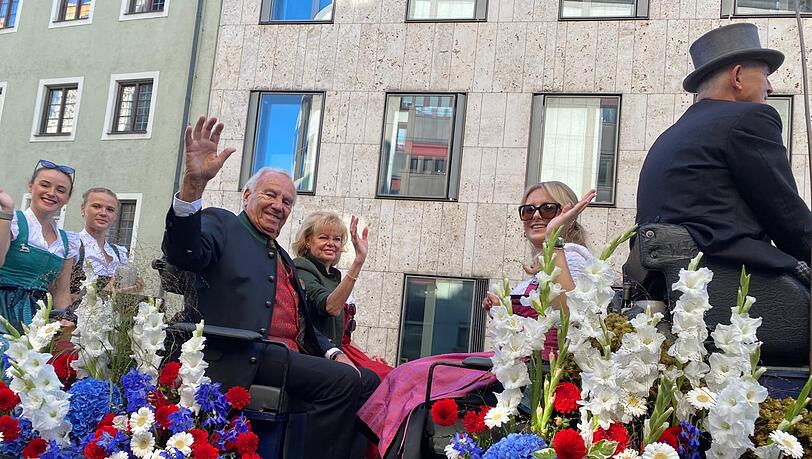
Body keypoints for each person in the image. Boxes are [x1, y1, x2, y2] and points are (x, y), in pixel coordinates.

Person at [162, 116, 380, 459]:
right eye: (270, 195)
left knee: (368, 381)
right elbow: (183, 251)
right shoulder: (223, 225)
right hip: (242, 353)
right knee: (343, 382)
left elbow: (306, 322)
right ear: (248, 194)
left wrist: (333, 352)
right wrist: (194, 184)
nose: (279, 206)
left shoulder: (281, 256)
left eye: (287, 201)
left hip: (285, 357)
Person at [359, 181, 596, 458]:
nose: (536, 216)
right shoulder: (545, 261)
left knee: (416, 378)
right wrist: (504, 310)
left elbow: (569, 317)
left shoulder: (573, 257)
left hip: (540, 372)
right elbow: (533, 324)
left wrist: (554, 239)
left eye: (547, 208)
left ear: (566, 212)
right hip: (519, 366)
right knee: (409, 374)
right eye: (528, 210)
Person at [635, 23, 812, 284]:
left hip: (664, 280)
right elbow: (786, 216)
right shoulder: (750, 118)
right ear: (738, 76)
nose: (770, 87)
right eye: (765, 74)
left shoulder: (672, 134)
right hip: (724, 276)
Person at [293, 211, 393, 381]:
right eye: (324, 237)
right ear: (308, 241)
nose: (331, 243)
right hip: (317, 354)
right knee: (381, 380)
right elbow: (330, 307)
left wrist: (367, 356)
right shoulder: (302, 268)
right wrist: (358, 262)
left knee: (392, 373)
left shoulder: (334, 276)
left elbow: (342, 334)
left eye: (337, 239)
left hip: (342, 350)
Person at [0, 160, 79, 337]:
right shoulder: (13, 221)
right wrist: (5, 212)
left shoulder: (67, 242)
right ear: (31, 186)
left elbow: (61, 291)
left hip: (36, 317)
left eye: (60, 190)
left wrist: (65, 320)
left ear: (67, 197)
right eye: (45, 185)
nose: (51, 193)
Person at [72, 187, 144, 296]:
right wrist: (105, 293)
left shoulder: (119, 253)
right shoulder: (73, 245)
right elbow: (60, 293)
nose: (103, 213)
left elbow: (119, 296)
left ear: (115, 215)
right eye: (96, 206)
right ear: (83, 209)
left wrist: (132, 288)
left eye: (110, 209)